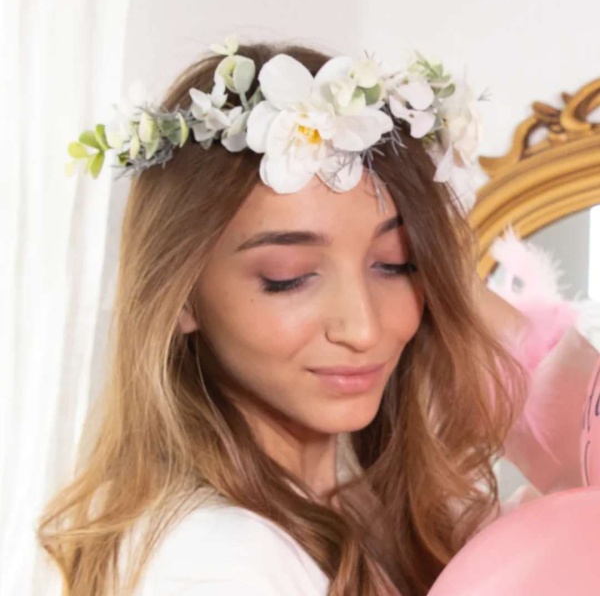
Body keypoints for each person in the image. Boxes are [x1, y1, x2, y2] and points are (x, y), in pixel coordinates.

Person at [36, 38, 595, 596]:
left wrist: (449, 285)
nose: (363, 329)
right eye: (289, 276)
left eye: (395, 263)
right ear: (181, 297)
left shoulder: (397, 512)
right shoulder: (214, 565)